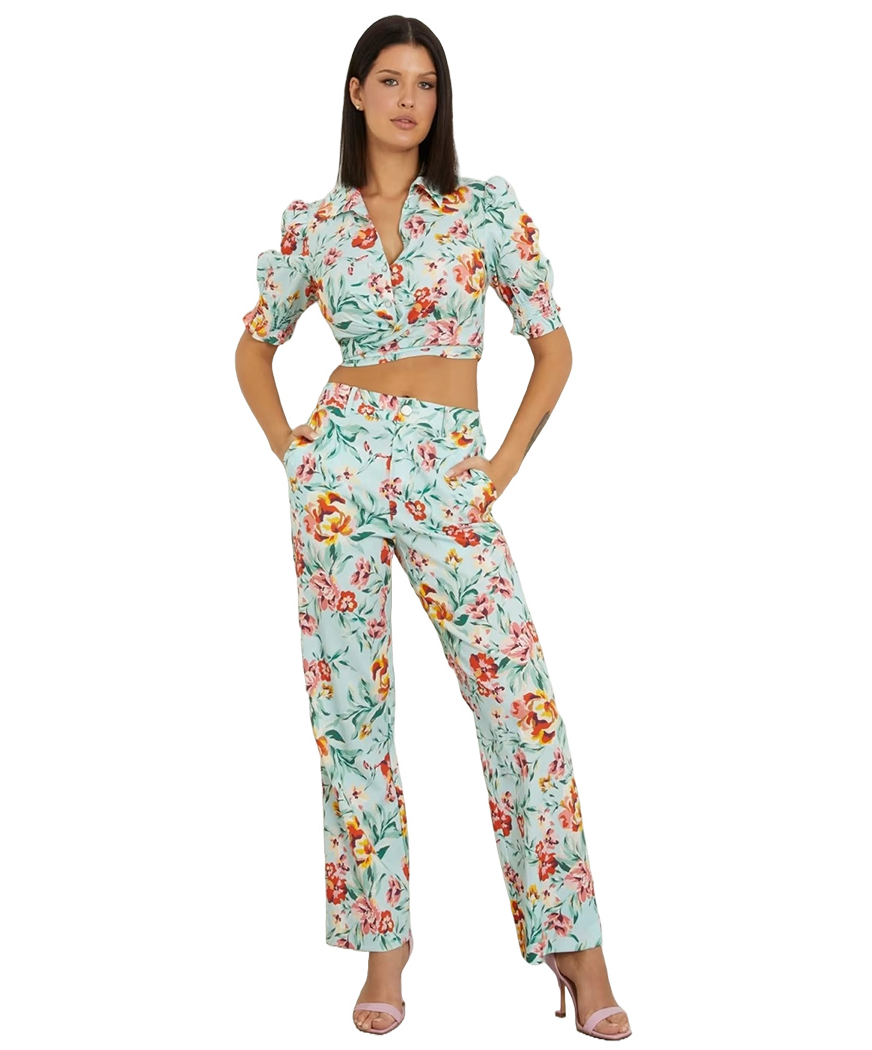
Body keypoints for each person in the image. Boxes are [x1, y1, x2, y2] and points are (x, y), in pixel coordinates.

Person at [234, 15, 632, 1041]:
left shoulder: (482, 211)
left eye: (426, 83)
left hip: (450, 469)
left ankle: (578, 951)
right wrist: (293, 454)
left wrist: (499, 468)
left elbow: (554, 348)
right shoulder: (317, 225)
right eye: (391, 80)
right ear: (356, 92)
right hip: (340, 467)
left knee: (520, 705)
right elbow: (253, 347)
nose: (410, 99)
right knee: (352, 718)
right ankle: (384, 953)